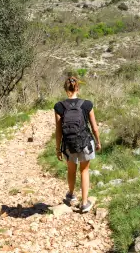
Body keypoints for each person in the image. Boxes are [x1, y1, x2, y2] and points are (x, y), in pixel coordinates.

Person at [54, 76, 102, 212]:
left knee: (71, 170)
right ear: (78, 88)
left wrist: (58, 149)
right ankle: (85, 202)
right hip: (85, 142)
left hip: (69, 144)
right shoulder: (87, 104)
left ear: (65, 89)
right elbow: (94, 128)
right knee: (84, 170)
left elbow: (58, 131)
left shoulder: (59, 106)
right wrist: (98, 142)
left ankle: (71, 195)